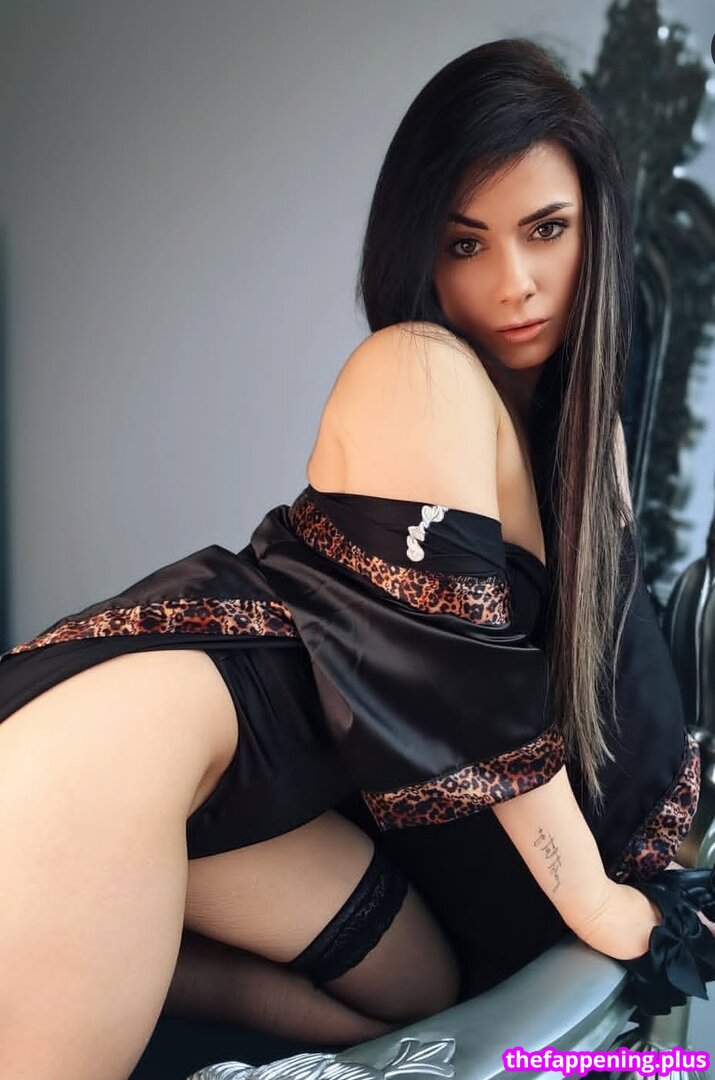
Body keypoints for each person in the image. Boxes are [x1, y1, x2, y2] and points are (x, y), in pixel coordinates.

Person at [1, 37, 713, 1080]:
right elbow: (469, 687)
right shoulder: (418, 367)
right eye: (464, 244)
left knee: (416, 991)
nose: (513, 284)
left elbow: (614, 675)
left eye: (545, 230)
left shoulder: (579, 436)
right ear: (417, 253)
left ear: (595, 228)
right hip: (129, 745)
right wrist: (597, 902)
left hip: (269, 808)